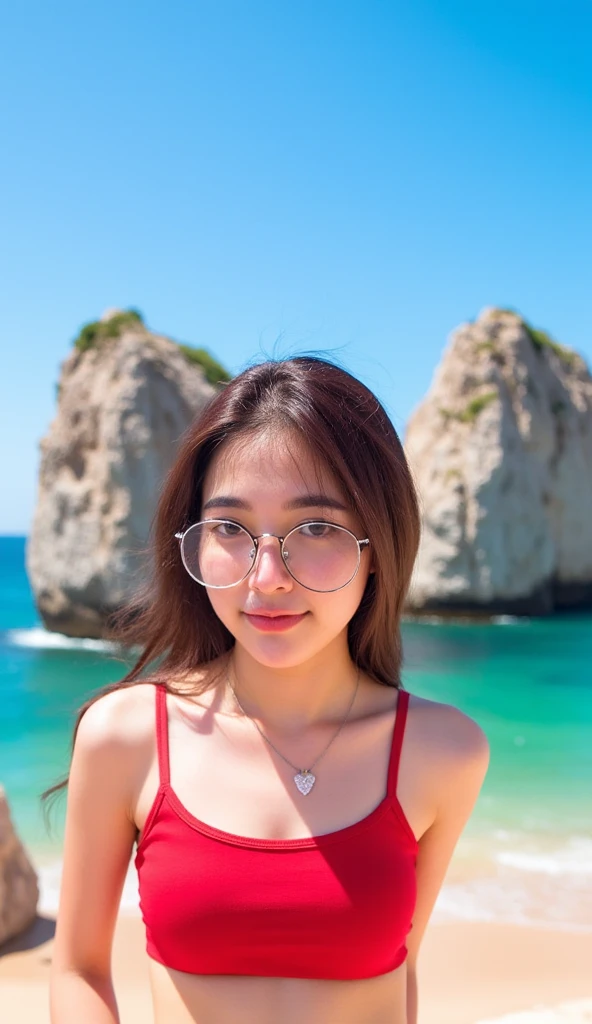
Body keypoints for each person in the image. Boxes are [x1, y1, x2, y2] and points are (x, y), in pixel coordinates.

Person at [47, 356, 490, 1024]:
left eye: (315, 528)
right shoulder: (126, 736)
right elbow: (77, 971)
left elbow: (400, 973)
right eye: (230, 529)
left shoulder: (445, 751)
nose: (267, 576)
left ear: (379, 547)